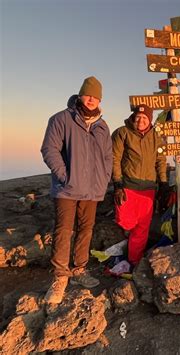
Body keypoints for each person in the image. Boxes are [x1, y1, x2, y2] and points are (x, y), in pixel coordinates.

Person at [40, 76, 112, 304]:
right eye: (88, 94)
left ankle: (79, 268)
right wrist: (66, 176)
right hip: (67, 189)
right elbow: (49, 149)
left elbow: (107, 157)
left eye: (96, 96)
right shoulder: (62, 119)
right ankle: (60, 276)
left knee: (86, 229)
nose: (91, 99)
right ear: (81, 95)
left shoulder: (102, 126)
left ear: (100, 99)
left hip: (92, 190)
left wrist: (103, 180)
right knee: (63, 230)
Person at [111, 105, 168, 266]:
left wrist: (163, 182)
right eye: (138, 117)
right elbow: (114, 158)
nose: (140, 120)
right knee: (124, 220)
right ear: (133, 117)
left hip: (148, 188)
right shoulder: (122, 133)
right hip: (128, 185)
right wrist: (117, 183)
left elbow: (161, 161)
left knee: (142, 228)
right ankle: (124, 243)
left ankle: (134, 260)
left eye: (144, 118)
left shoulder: (156, 137)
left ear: (149, 120)